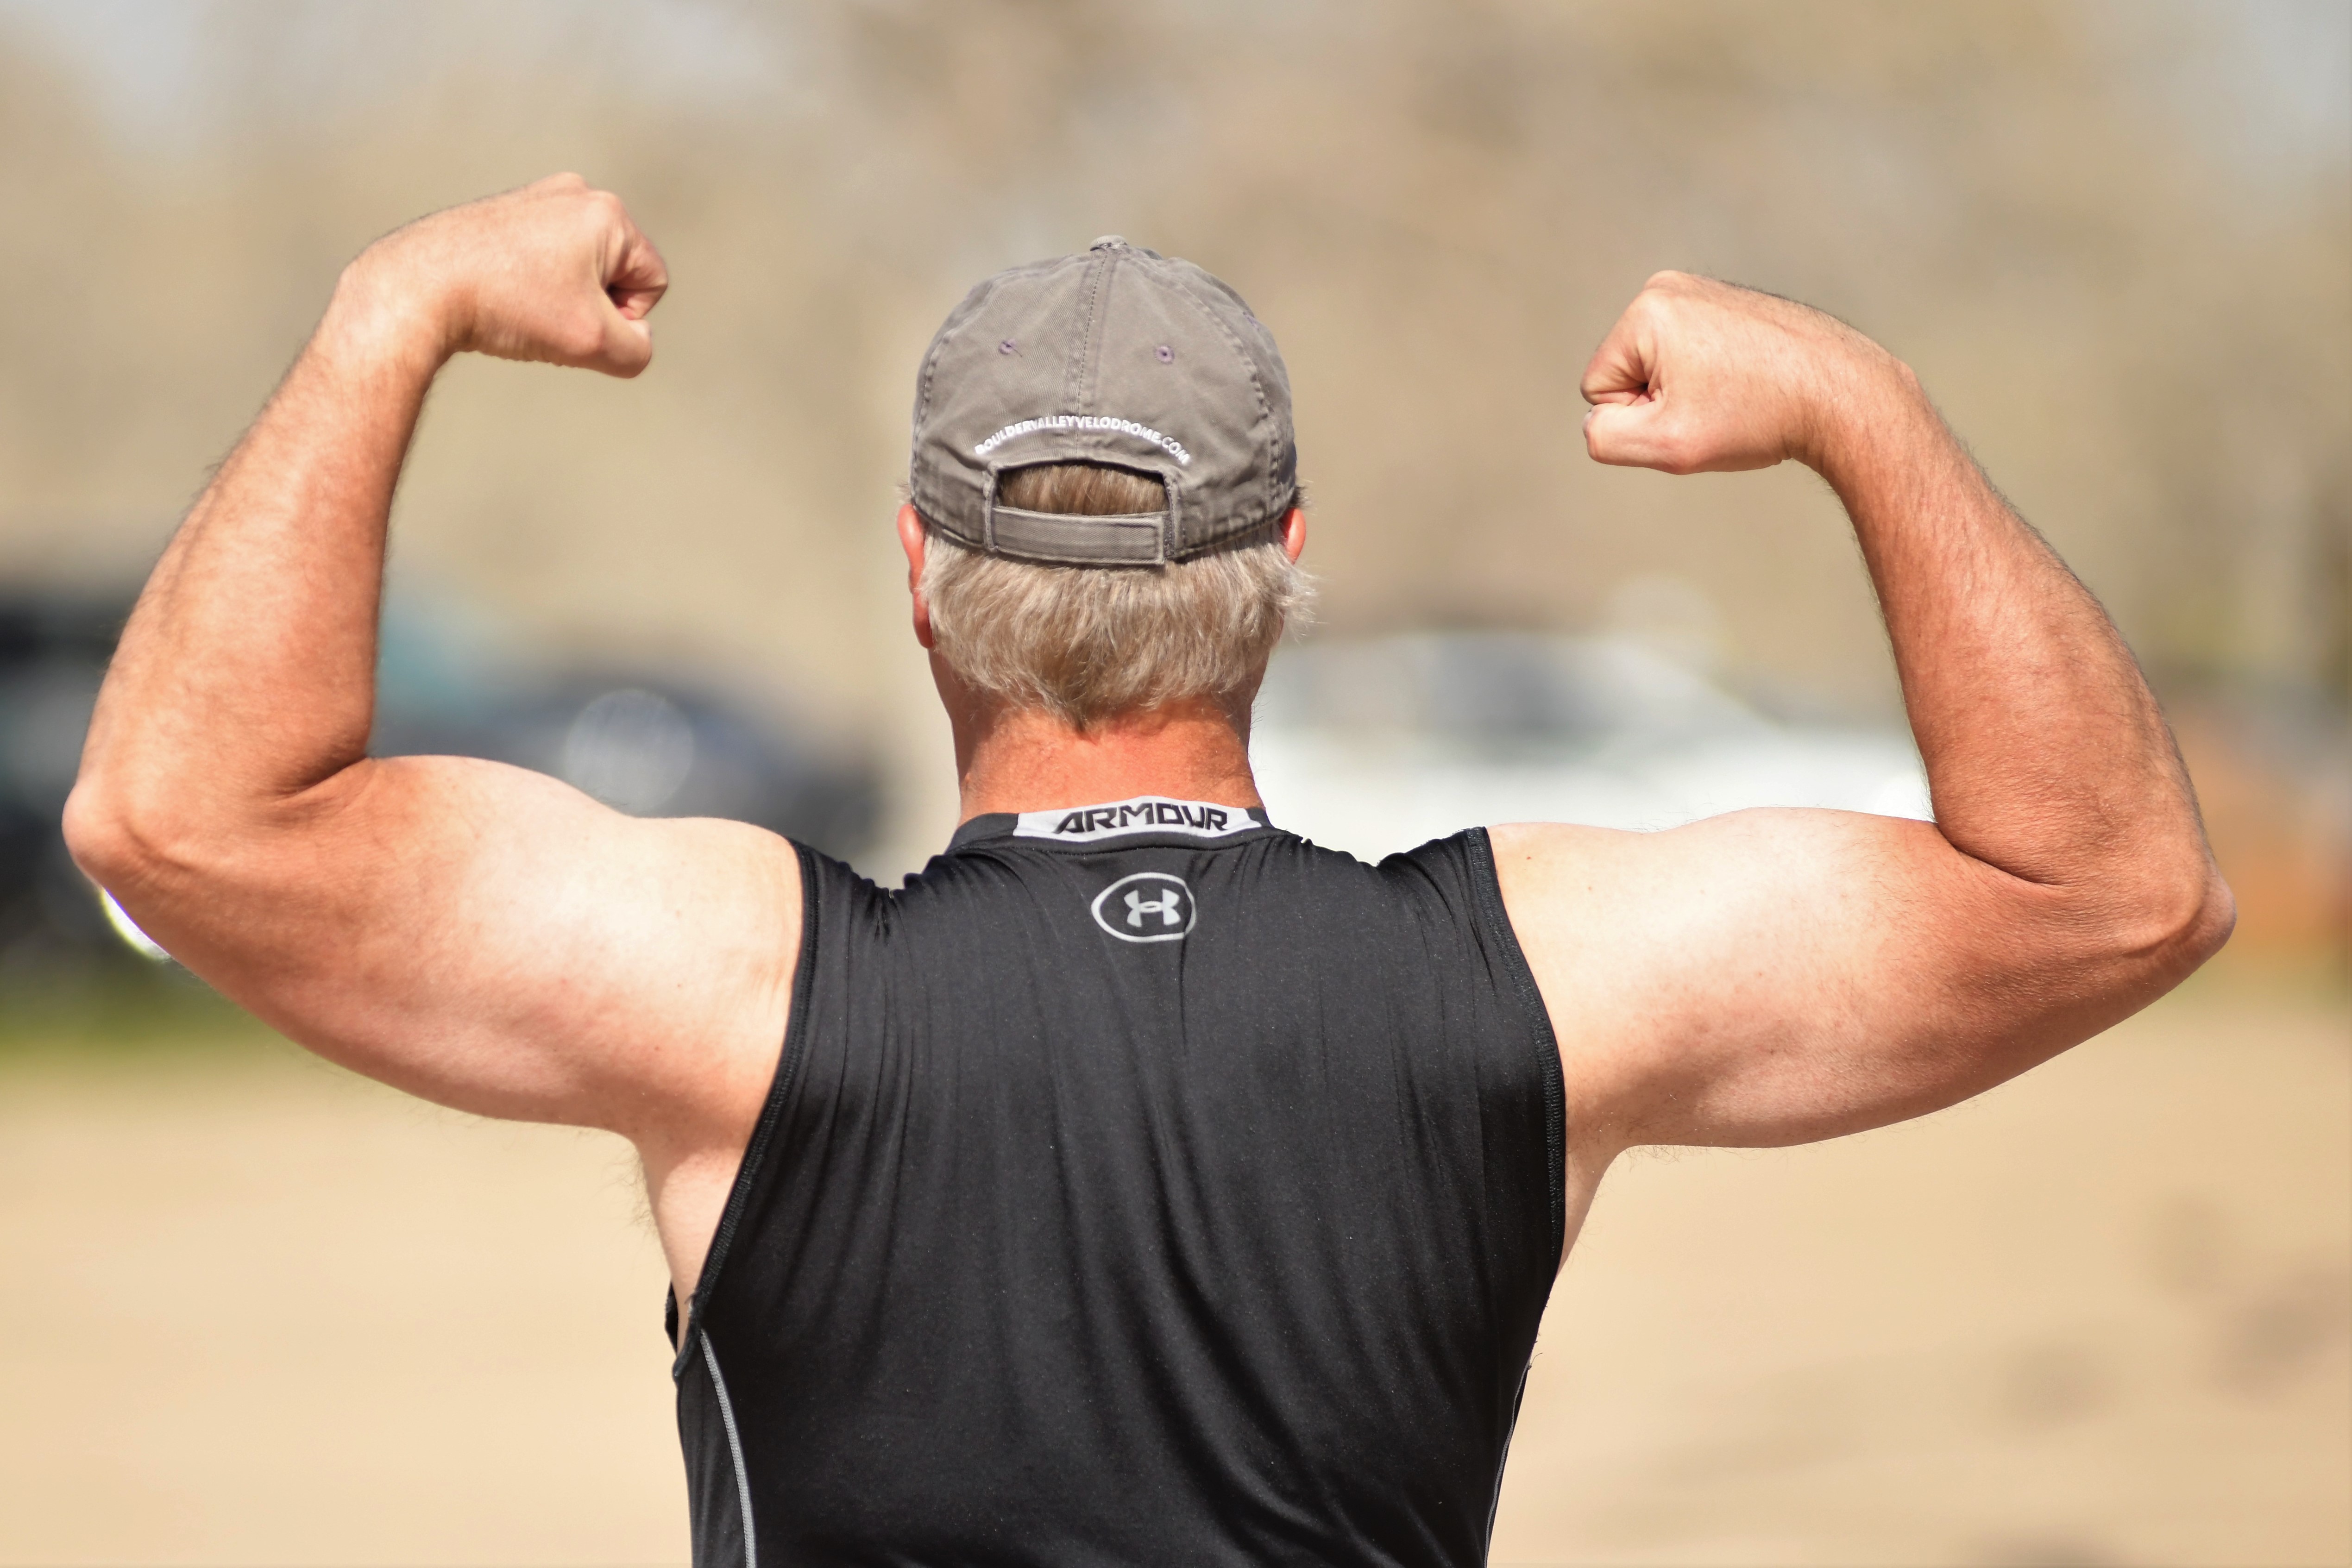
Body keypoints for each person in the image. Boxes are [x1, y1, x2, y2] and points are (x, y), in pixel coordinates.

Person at [66, 176, 2232, 1567]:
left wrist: (391, 312)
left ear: (919, 575)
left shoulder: (750, 995)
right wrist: (1866, 406)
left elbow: (177, 818)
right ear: (1282, 563)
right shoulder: (1521, 986)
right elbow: (2113, 890)